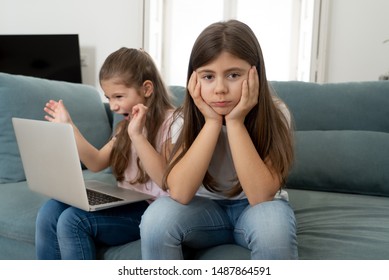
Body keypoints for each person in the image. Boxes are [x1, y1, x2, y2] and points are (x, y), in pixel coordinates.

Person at [140, 19, 298, 260]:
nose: (220, 89)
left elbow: (260, 197)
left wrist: (235, 122)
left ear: (256, 74)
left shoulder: (277, 114)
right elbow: (180, 192)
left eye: (233, 75)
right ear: (194, 80)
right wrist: (212, 122)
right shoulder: (182, 120)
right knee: (156, 220)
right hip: (203, 211)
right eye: (208, 77)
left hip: (254, 209)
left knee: (274, 231)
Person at [35, 47, 176, 259]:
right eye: (109, 98)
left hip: (153, 211)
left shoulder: (172, 123)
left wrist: (138, 135)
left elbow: (166, 180)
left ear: (147, 89)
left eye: (119, 96)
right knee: (50, 211)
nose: (113, 106)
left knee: (73, 220)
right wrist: (69, 127)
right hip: (126, 202)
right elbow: (96, 162)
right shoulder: (124, 128)